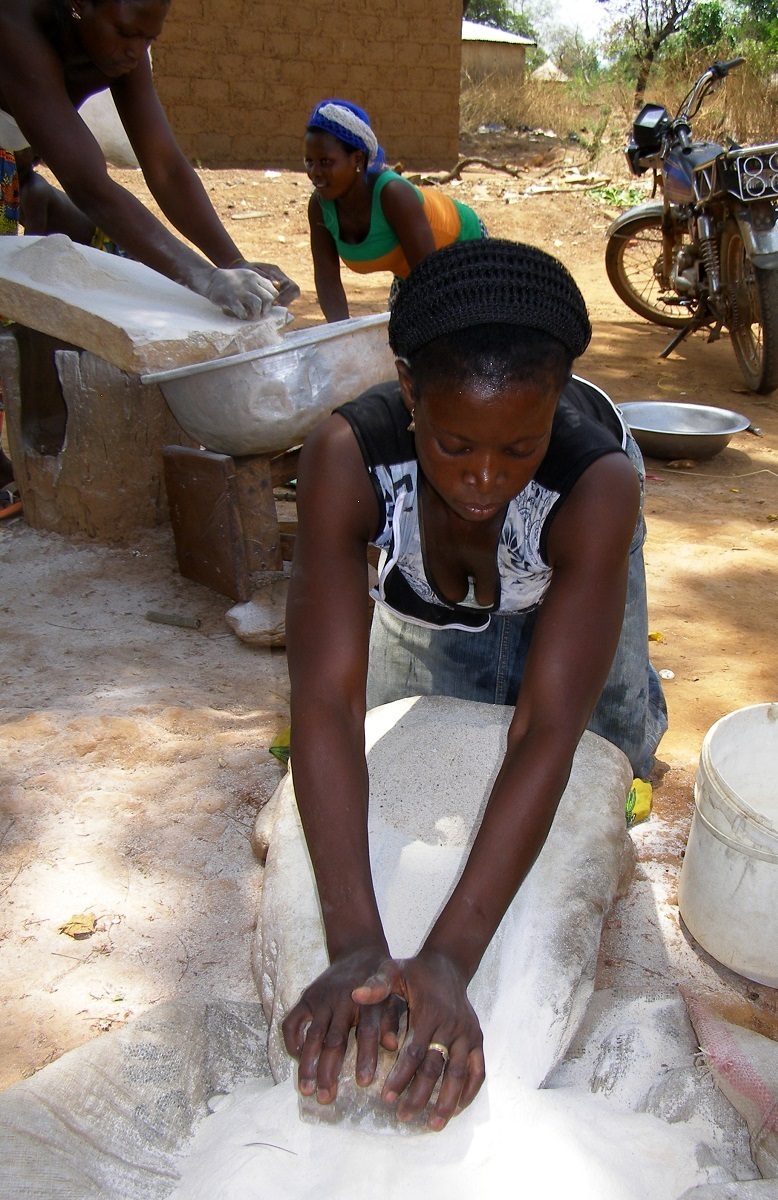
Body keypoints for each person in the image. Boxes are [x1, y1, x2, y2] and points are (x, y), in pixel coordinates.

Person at [281, 239, 667, 1132]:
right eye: (454, 444)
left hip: (571, 553)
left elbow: (544, 735)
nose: (484, 480)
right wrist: (358, 951)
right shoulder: (350, 460)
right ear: (410, 393)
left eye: (517, 446)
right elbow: (326, 704)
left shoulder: (590, 485)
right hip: (436, 582)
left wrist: (451, 958)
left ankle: (631, 711)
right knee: (430, 719)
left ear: (557, 409)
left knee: (609, 744)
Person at [0, 0, 299, 319]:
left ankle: (36, 193)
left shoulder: (122, 48)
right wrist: (208, 279)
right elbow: (87, 184)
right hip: (12, 170)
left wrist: (234, 264)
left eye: (148, 39)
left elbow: (166, 168)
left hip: (15, 166)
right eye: (127, 32)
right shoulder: (13, 26)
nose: (136, 50)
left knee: (121, 270)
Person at [304, 99, 485, 322]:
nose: (314, 172)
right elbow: (326, 277)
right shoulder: (320, 206)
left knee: (456, 341)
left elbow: (429, 280)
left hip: (466, 251)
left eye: (325, 161)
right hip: (413, 272)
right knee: (399, 343)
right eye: (309, 161)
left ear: (357, 159)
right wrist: (342, 337)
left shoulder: (393, 195)